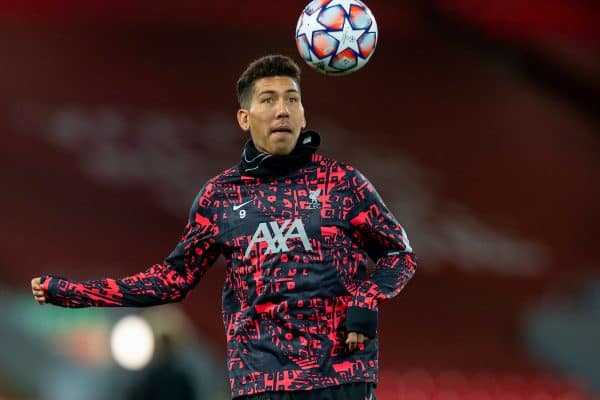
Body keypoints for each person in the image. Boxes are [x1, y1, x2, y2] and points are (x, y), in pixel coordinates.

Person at [31, 54, 417, 400]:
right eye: (268, 99)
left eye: (292, 99)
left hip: (341, 379)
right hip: (262, 382)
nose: (282, 109)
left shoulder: (344, 183)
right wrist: (72, 294)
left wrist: (366, 298)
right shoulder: (220, 198)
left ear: (303, 115)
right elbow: (171, 279)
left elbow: (399, 254)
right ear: (244, 118)